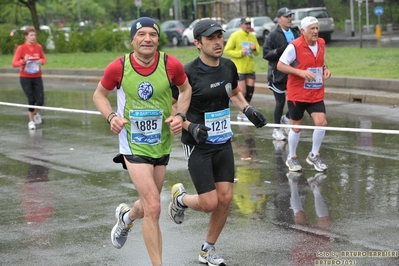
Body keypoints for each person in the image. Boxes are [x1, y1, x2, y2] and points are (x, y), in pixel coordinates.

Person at [92, 17, 192, 266]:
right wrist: (111, 116)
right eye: (141, 34)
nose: (147, 39)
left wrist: (180, 114)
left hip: (161, 142)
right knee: (155, 206)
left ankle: (126, 217)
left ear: (158, 39)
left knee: (149, 205)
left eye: (152, 35)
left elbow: (186, 89)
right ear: (133, 39)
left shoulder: (171, 64)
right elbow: (99, 95)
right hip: (133, 144)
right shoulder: (118, 67)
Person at [167, 19, 267, 266]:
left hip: (222, 141)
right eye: (210, 38)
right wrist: (190, 126)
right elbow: (171, 105)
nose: (217, 41)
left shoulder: (228, 67)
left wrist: (248, 110)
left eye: (219, 36)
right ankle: (180, 199)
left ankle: (207, 249)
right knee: (209, 202)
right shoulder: (187, 73)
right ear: (197, 43)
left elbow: (233, 93)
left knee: (225, 198)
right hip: (197, 144)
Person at [277, 16, 332, 172]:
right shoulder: (294, 46)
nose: (315, 32)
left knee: (322, 123)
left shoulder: (321, 43)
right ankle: (292, 157)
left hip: (316, 92)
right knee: (296, 127)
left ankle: (314, 155)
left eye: (317, 28)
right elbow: (281, 65)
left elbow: (320, 61)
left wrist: (325, 69)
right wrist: (299, 72)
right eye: (311, 29)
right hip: (298, 93)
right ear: (303, 31)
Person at [263, 7, 301, 141]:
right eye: (286, 16)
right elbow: (266, 54)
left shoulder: (296, 32)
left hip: (292, 73)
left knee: (297, 100)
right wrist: (280, 50)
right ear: (279, 20)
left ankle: (286, 118)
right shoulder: (273, 35)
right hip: (277, 74)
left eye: (290, 16)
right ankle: (276, 130)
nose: (289, 18)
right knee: (280, 102)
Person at [224, 17, 261, 121]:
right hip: (239, 68)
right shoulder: (235, 35)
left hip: (250, 68)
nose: (248, 26)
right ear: (241, 25)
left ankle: (245, 111)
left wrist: (255, 48)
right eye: (246, 24)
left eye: (249, 24)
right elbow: (227, 50)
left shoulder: (252, 36)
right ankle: (241, 112)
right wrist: (240, 53)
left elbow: (258, 52)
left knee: (250, 91)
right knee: (242, 91)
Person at [12, 26, 46, 130]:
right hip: (25, 77)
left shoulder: (38, 47)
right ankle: (31, 122)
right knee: (31, 99)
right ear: (26, 36)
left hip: (37, 76)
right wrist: (24, 61)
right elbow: (14, 63)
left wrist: (41, 61)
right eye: (31, 35)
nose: (33, 37)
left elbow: (44, 59)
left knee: (40, 100)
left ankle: (35, 114)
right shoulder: (21, 48)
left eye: (34, 35)